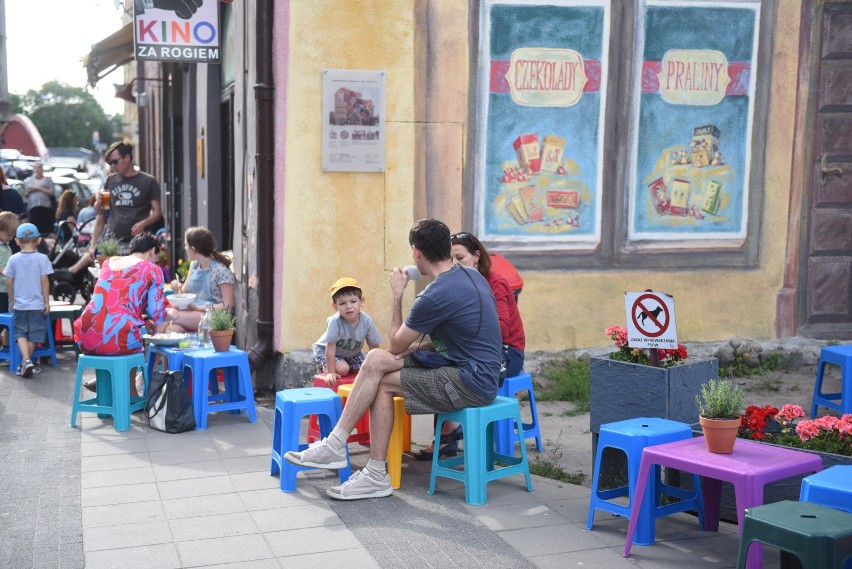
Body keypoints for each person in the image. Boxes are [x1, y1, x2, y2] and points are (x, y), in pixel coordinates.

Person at [285, 218, 503, 501]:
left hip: (470, 382)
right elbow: (468, 335)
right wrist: (423, 347)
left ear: (416, 254)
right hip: (473, 369)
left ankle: (363, 466)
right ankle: (343, 450)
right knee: (375, 362)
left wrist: (397, 294)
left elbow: (395, 344)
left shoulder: (435, 294)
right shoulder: (470, 275)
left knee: (380, 376)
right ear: (448, 248)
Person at [412, 232, 528, 459]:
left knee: (454, 367)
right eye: (451, 259)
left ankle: (451, 433)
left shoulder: (495, 282)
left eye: (460, 258)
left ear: (476, 257)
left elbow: (501, 330)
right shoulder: (453, 284)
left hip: (506, 352)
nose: (455, 264)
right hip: (472, 352)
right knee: (440, 362)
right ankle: (448, 436)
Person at [73, 233, 175, 394]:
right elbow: (157, 312)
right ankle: (132, 395)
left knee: (124, 330)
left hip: (86, 334)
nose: (156, 261)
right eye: (156, 257)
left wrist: (141, 318)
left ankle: (107, 385)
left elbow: (112, 303)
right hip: (118, 335)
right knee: (130, 337)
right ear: (152, 251)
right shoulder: (153, 269)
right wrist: (176, 315)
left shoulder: (108, 262)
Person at [57, 142, 162, 278]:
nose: (112, 166)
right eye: (109, 163)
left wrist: (143, 223)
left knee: (135, 280)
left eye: (115, 162)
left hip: (138, 243)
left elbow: (158, 212)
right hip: (113, 241)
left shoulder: (148, 181)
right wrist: (93, 244)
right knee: (112, 282)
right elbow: (101, 215)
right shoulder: (110, 181)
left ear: (127, 158)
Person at [158, 226, 235, 333]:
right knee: (172, 330)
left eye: (186, 245)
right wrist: (177, 288)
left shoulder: (221, 270)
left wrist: (197, 308)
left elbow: (227, 306)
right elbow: (184, 292)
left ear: (193, 249)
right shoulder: (194, 265)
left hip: (214, 317)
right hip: (193, 313)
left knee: (171, 316)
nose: (184, 248)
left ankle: (147, 346)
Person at [312, 277, 383, 386]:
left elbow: (374, 347)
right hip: (327, 351)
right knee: (343, 369)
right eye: (342, 303)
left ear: (361, 301)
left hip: (351, 353)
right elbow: (330, 348)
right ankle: (324, 367)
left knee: (366, 368)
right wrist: (331, 372)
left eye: (353, 301)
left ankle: (345, 364)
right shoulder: (334, 321)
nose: (348, 307)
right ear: (335, 306)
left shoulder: (367, 321)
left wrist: (377, 368)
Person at [3, 223, 52, 377]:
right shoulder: (42, 258)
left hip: (19, 305)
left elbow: (8, 282)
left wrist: (11, 300)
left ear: (17, 241)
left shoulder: (13, 259)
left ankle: (25, 361)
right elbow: (45, 281)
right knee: (35, 335)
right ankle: (26, 361)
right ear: (38, 240)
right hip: (37, 305)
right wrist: (46, 302)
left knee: (20, 334)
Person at [0, 212, 20, 348]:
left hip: (7, 288)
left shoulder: (5, 245)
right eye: (9, 235)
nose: (11, 238)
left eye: (13, 236)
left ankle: (7, 346)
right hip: (1, 290)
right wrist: (7, 272)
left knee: (8, 318)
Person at [23, 161, 55, 235]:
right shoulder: (29, 180)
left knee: (44, 229)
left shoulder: (47, 180)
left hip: (45, 207)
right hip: (33, 208)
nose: (37, 170)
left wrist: (38, 188)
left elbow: (52, 192)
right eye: (35, 168)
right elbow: (25, 194)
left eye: (39, 167)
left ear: (42, 169)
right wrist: (30, 191)